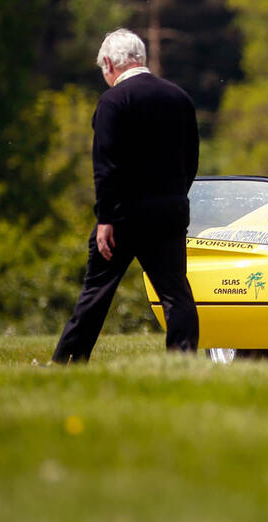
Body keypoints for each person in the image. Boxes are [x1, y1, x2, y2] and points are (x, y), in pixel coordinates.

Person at [51, 28, 200, 362]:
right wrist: (174, 196)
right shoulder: (180, 98)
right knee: (176, 294)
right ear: (141, 58)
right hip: (169, 213)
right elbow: (191, 160)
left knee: (97, 292)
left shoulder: (114, 101)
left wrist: (106, 218)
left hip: (123, 218)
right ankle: (183, 361)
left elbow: (106, 166)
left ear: (108, 63)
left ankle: (68, 361)